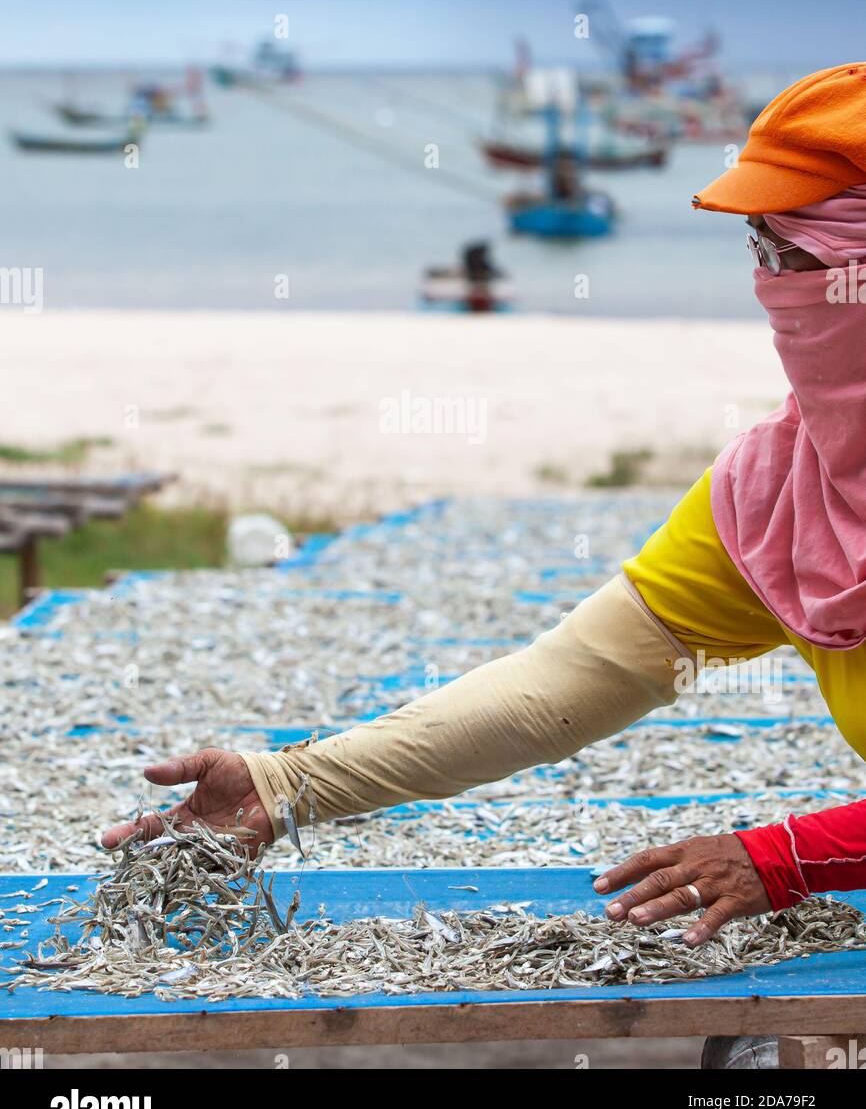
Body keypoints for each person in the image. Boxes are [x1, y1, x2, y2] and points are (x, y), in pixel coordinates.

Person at [105, 63, 866, 945]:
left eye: (795, 253)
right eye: (757, 248)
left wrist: (788, 857)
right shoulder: (786, 493)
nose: (770, 282)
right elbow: (559, 690)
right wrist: (282, 787)